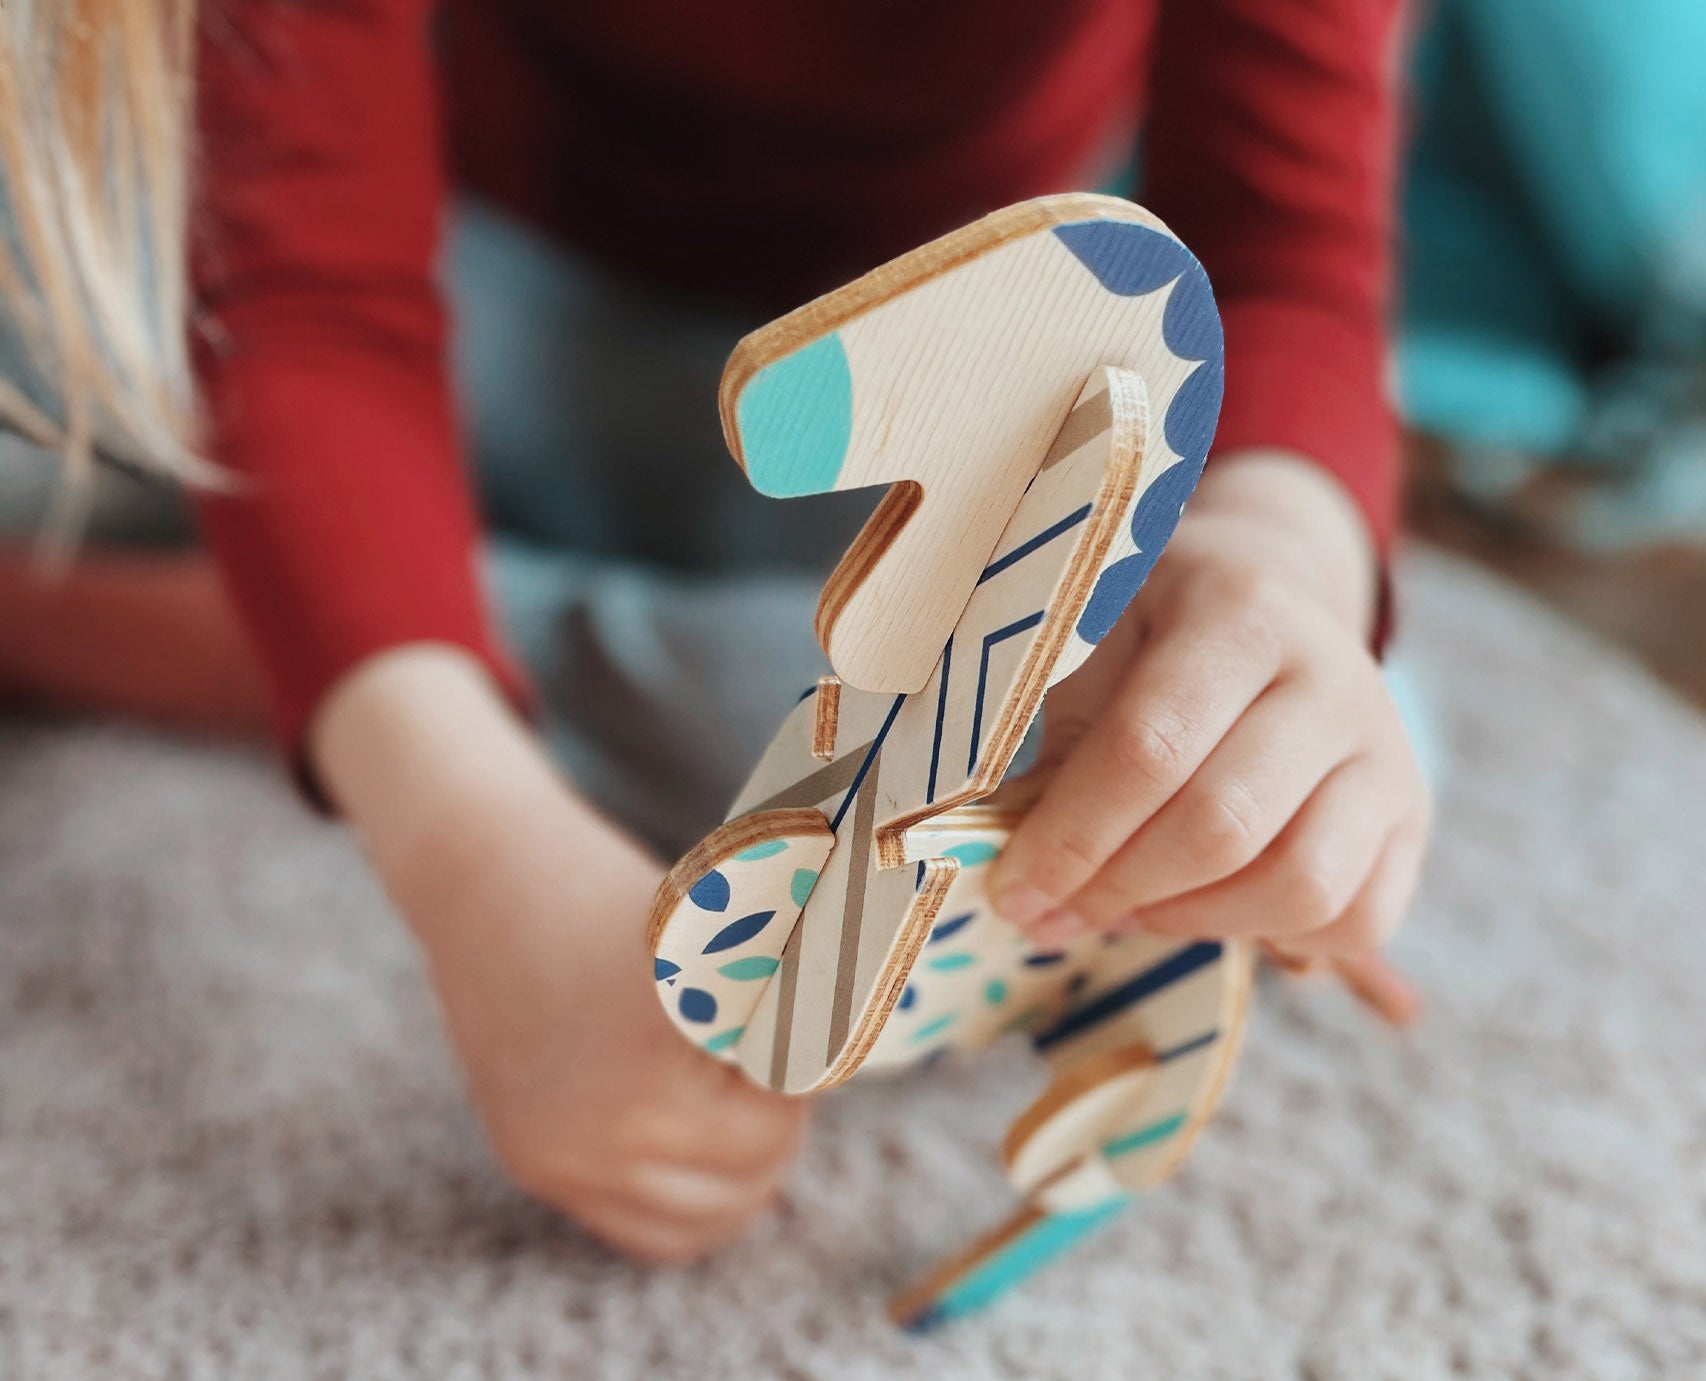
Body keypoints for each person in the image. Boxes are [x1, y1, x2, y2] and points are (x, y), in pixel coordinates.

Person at [0, 0, 1429, 1264]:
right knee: (67, 254)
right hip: (482, 277)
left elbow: (1287, 259)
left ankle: (342, 631)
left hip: (951, 351)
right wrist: (474, 846)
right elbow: (305, 303)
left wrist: (1276, 553)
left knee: (1273, 742)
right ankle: (343, 633)